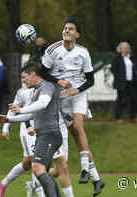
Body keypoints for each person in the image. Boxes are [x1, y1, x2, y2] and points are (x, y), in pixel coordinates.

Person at [41, 16, 105, 196]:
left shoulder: (83, 52)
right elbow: (42, 73)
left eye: (70, 29)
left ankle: (85, 169)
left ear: (77, 34)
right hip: (59, 99)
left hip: (78, 94)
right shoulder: (53, 50)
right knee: (71, 146)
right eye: (65, 28)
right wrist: (59, 81)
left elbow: (90, 80)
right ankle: (97, 178)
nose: (66, 30)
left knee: (78, 126)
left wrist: (77, 90)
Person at [0, 62, 75, 197]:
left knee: (38, 168)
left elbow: (43, 104)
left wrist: (20, 109)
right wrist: (9, 120)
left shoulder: (46, 86)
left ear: (33, 75)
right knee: (41, 170)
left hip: (50, 134)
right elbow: (31, 114)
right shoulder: (36, 90)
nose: (23, 80)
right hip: (44, 135)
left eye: (24, 77)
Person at [110, 42, 137, 124]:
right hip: (121, 83)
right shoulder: (117, 57)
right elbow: (113, 69)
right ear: (120, 49)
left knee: (133, 99)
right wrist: (119, 77)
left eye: (127, 48)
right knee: (121, 99)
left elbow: (135, 69)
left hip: (131, 82)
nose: (126, 49)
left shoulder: (131, 58)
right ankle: (118, 117)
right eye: (124, 48)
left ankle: (133, 117)